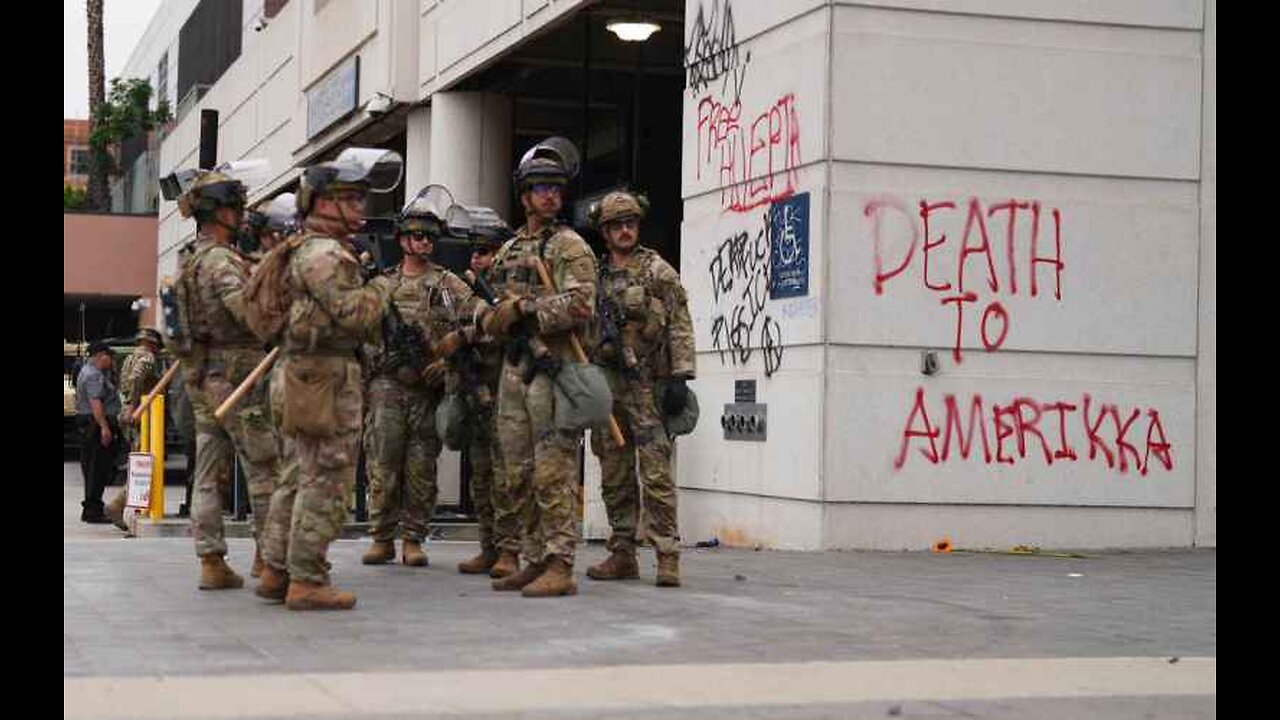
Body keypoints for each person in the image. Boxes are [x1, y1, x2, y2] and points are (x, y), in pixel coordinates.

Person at [254, 147, 401, 611]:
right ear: (322, 202)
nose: (360, 208)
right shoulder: (326, 254)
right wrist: (383, 284)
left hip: (303, 373)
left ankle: (276, 570)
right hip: (324, 377)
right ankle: (307, 579)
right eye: (351, 199)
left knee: (296, 476)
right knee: (327, 479)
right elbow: (357, 315)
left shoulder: (300, 247)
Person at [480, 137, 600, 598]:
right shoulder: (510, 248)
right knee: (518, 469)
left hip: (552, 367)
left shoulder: (569, 246)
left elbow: (582, 304)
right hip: (515, 369)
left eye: (556, 188)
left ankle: (560, 562)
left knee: (553, 470)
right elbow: (490, 305)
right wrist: (491, 318)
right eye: (540, 187)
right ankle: (532, 557)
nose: (549, 195)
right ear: (525, 195)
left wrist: (526, 309)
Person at [168, 163, 283, 589]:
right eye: (236, 208)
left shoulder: (189, 259)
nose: (242, 215)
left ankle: (211, 561)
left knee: (207, 471)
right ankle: (270, 561)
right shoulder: (221, 261)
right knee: (264, 466)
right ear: (219, 212)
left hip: (202, 376)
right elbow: (247, 313)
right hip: (238, 377)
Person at [360, 186, 479, 568]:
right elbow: (360, 330)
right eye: (417, 236)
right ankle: (381, 537)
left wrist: (448, 360)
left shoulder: (448, 284)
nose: (425, 242)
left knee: (421, 467)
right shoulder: (383, 284)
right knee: (382, 464)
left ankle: (413, 538)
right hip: (386, 386)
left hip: (427, 389)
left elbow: (481, 319)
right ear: (402, 240)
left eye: (430, 236)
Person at [586, 191, 697, 587]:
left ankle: (667, 555)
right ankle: (622, 553)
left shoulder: (657, 270)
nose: (625, 230)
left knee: (656, 474)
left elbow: (680, 323)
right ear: (604, 232)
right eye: (617, 225)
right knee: (614, 473)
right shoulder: (594, 275)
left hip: (647, 386)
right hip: (608, 386)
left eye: (631, 223)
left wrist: (681, 376)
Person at [450, 207, 521, 578]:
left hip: (505, 391)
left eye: (485, 251)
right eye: (474, 251)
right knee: (480, 475)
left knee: (504, 474)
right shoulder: (467, 290)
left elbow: (502, 329)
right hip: (476, 388)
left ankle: (510, 549)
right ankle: (488, 546)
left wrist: (466, 335)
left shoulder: (506, 288)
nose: (477, 258)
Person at [105, 328, 164, 530]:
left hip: (130, 412)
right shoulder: (147, 358)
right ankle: (118, 505)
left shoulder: (130, 357)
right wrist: (133, 405)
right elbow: (137, 379)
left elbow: (124, 382)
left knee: (139, 460)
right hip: (141, 414)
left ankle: (125, 505)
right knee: (144, 463)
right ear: (153, 344)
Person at [75, 342, 121, 523]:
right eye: (109, 357)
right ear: (101, 356)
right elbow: (96, 403)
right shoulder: (93, 375)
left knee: (93, 469)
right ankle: (93, 510)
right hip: (95, 425)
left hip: (90, 424)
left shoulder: (89, 371)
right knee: (97, 469)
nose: (111, 361)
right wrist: (104, 427)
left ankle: (92, 507)